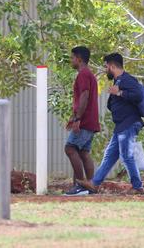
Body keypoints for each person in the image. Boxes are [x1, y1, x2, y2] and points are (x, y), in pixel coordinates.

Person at [78, 53, 144, 195]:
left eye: (106, 66)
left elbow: (139, 95)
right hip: (121, 125)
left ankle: (137, 186)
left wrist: (119, 93)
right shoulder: (118, 81)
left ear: (112, 66)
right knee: (110, 155)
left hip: (128, 123)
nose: (105, 69)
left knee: (126, 155)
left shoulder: (127, 79)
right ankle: (94, 184)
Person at [64, 47, 100, 197]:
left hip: (84, 121)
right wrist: (73, 117)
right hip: (90, 120)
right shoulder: (88, 74)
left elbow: (84, 96)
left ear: (79, 58)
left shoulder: (83, 74)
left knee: (70, 149)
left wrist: (78, 118)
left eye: (72, 58)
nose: (71, 60)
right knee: (84, 152)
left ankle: (80, 185)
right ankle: (90, 185)